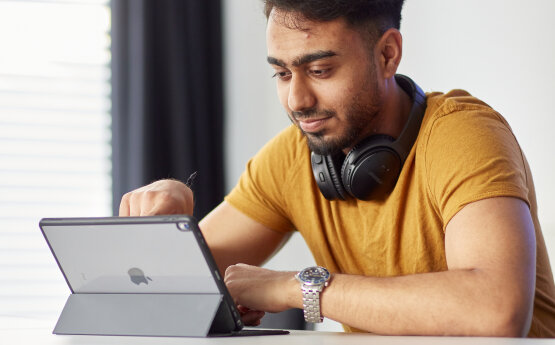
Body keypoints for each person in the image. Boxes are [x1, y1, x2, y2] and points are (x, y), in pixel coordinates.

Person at [118, 0, 555, 338]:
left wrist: (297, 289)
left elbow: (495, 312)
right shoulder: (292, 157)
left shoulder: (463, 134)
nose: (297, 101)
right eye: (283, 74)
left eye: (320, 69)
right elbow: (166, 288)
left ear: (387, 55)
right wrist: (169, 221)